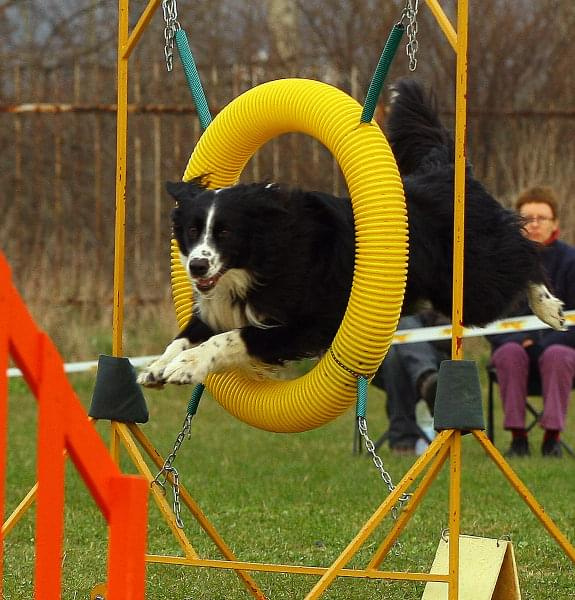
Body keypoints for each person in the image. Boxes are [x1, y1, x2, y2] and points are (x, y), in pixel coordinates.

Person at [488, 186, 575, 458]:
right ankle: (518, 439)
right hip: (515, 348)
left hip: (560, 350)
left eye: (542, 218)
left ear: (555, 223)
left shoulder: (571, 261)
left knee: (557, 355)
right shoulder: (501, 262)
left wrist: (542, 342)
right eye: (528, 219)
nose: (534, 225)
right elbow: (490, 315)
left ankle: (552, 439)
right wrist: (519, 340)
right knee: (509, 353)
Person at [371, 309, 450, 455]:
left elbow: (449, 338)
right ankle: (425, 379)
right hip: (377, 361)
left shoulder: (438, 292)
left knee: (395, 357)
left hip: (434, 358)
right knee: (401, 327)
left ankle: (403, 440)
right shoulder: (372, 294)